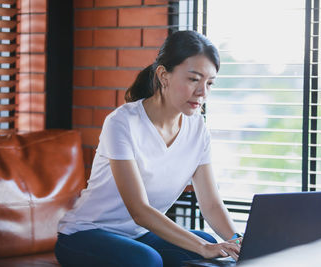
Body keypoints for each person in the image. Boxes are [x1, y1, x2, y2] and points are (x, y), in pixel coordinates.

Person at [55, 30, 242, 267]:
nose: (203, 92)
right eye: (194, 79)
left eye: (210, 83)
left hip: (138, 235)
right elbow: (139, 210)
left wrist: (237, 241)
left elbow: (211, 204)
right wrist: (204, 248)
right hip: (86, 234)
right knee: (148, 259)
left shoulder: (198, 129)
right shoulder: (122, 122)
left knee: (208, 243)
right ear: (164, 75)